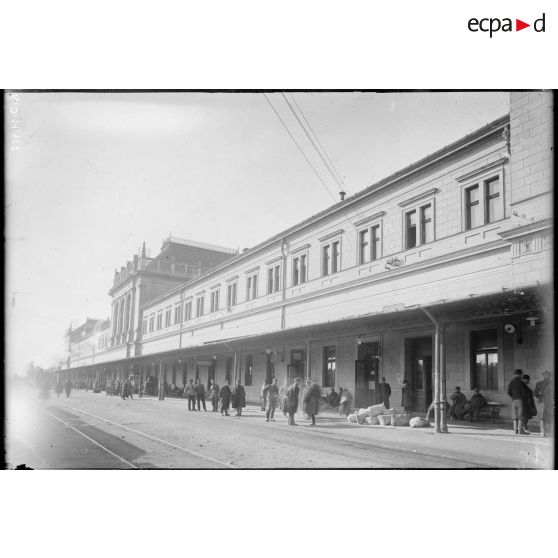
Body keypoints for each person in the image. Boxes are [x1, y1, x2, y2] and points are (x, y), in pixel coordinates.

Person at [507, 369, 530, 435]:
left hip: (514, 400)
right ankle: (520, 430)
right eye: (521, 374)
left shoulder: (511, 382)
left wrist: (514, 397)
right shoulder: (521, 382)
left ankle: (515, 430)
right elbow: (525, 392)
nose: (521, 375)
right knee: (521, 415)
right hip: (521, 400)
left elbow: (509, 392)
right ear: (519, 374)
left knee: (515, 415)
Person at [534, 370, 553, 438]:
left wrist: (540, 397)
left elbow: (535, 393)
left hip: (542, 402)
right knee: (550, 417)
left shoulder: (539, 383)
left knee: (542, 418)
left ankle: (543, 433)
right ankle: (550, 433)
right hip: (550, 402)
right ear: (550, 376)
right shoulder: (552, 383)